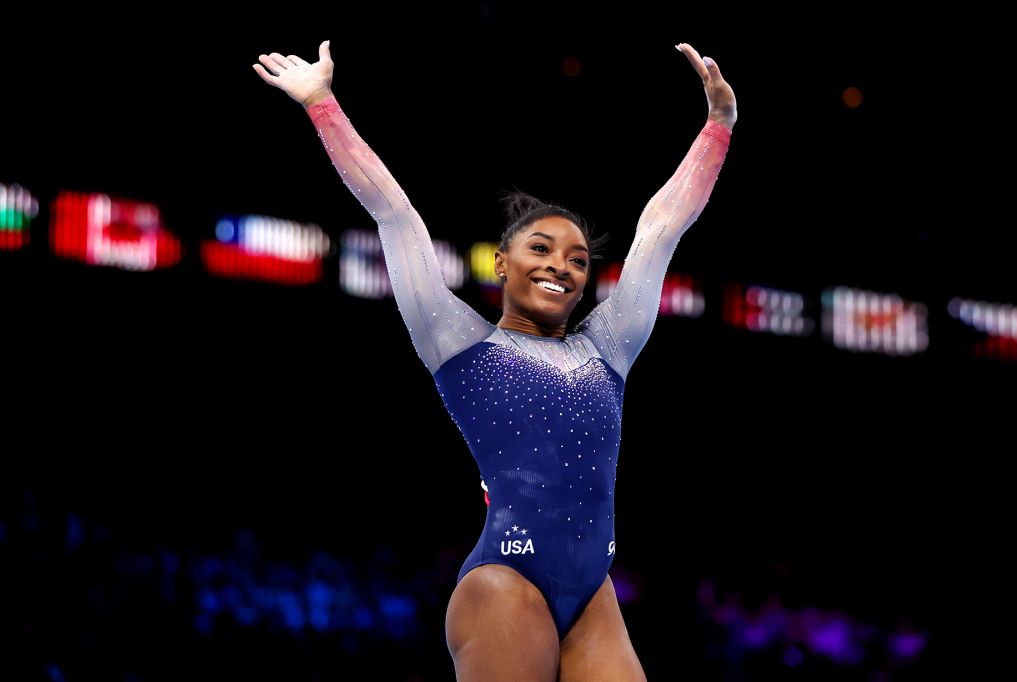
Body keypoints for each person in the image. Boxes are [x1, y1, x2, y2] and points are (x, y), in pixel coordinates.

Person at [253, 39, 736, 680]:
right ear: (502, 264)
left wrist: (717, 128)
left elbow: (663, 226)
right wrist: (322, 104)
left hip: (594, 593)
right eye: (541, 248)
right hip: (505, 583)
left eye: (577, 260)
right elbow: (393, 215)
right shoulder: (458, 342)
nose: (561, 266)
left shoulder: (608, 348)